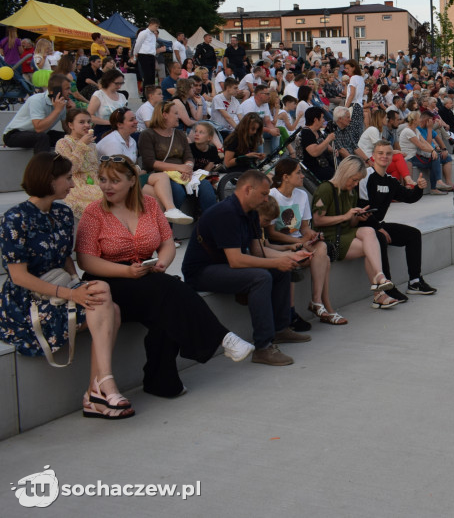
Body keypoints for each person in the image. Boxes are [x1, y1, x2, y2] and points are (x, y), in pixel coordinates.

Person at [75, 155, 253, 397]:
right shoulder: (94, 212)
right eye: (103, 180)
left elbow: (167, 243)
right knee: (169, 291)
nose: (107, 186)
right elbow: (86, 260)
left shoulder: (149, 205)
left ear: (131, 181)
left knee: (167, 307)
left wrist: (162, 263)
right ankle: (222, 337)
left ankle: (161, 381)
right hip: (108, 280)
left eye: (114, 181)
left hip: (146, 276)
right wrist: (126, 271)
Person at [0, 153, 131, 419]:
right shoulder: (15, 218)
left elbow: (66, 259)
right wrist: (72, 293)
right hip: (26, 302)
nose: (73, 185)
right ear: (49, 180)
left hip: (60, 288)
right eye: (68, 178)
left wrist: (79, 287)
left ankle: (98, 389)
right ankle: (100, 388)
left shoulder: (62, 212)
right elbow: (18, 277)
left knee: (106, 302)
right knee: (107, 304)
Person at [182, 170, 310, 366]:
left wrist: (290, 256)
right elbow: (236, 261)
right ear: (248, 189)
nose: (267, 199)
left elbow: (258, 252)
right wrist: (276, 261)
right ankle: (263, 347)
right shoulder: (225, 213)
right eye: (264, 194)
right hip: (201, 272)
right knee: (261, 277)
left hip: (223, 265)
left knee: (281, 270)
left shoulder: (250, 212)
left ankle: (281, 329)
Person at [311, 156, 400, 309]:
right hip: (330, 239)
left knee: (368, 231)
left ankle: (380, 277)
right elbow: (317, 221)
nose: (355, 184)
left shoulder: (350, 191)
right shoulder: (326, 189)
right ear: (345, 173)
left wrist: (357, 218)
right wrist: (345, 216)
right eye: (354, 179)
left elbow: (350, 223)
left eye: (358, 181)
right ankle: (379, 291)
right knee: (370, 245)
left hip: (345, 233)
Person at [266, 159, 342, 324]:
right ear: (286, 177)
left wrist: (312, 235)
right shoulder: (272, 196)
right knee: (325, 260)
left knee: (321, 246)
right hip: (281, 246)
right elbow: (271, 233)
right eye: (298, 172)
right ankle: (320, 305)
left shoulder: (301, 195)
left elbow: (305, 227)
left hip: (300, 243)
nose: (302, 176)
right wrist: (297, 242)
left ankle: (317, 301)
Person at [359, 141, 437, 297]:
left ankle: (415, 282)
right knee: (379, 237)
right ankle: (387, 285)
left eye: (388, 153)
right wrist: (377, 227)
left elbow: (409, 197)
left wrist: (419, 188)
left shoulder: (390, 181)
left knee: (413, 234)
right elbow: (361, 208)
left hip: (378, 225)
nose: (384, 156)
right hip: (363, 227)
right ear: (373, 156)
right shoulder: (364, 177)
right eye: (380, 153)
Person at [138, 101, 217, 215]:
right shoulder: (148, 134)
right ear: (165, 115)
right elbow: (149, 162)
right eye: (175, 113)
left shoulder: (179, 134)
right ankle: (167, 227)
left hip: (183, 172)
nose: (179, 117)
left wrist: (188, 168)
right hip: (162, 175)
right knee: (177, 192)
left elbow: (188, 156)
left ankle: (208, 225)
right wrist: (181, 168)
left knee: (206, 188)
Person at [2, 73, 69, 152]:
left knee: (67, 138)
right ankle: (42, 164)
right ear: (55, 91)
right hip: (14, 135)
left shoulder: (62, 104)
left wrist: (72, 112)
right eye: (67, 89)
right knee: (42, 137)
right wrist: (57, 110)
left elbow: (67, 128)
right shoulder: (37, 100)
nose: (70, 92)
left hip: (37, 134)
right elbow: (39, 128)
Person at [85, 69, 128, 140]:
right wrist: (109, 122)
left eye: (121, 83)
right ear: (108, 81)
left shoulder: (122, 96)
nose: (119, 86)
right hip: (103, 129)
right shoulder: (99, 95)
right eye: (117, 83)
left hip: (120, 128)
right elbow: (89, 116)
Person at [298, 106, 336, 182]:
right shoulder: (306, 133)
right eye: (322, 118)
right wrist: (328, 139)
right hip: (315, 168)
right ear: (315, 119)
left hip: (325, 163)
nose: (324, 120)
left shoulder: (317, 131)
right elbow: (314, 152)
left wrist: (334, 150)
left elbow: (328, 148)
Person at [133, 18, 165, 88]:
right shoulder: (143, 33)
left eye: (157, 27)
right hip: (144, 55)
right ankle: (145, 94)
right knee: (147, 75)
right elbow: (138, 44)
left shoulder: (153, 35)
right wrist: (135, 54)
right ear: (150, 25)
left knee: (152, 76)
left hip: (151, 56)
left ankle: (150, 92)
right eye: (156, 26)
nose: (157, 28)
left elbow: (152, 47)